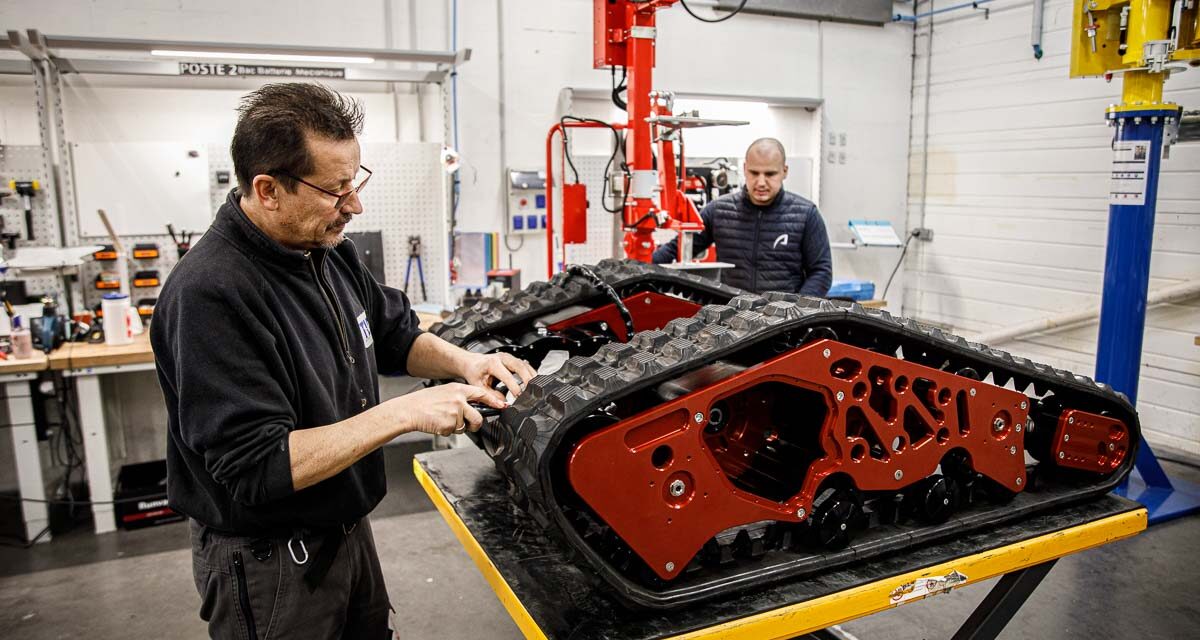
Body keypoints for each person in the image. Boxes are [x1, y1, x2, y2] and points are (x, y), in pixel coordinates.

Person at [150, 83, 537, 639]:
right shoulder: (211, 294)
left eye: (355, 182)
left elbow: (395, 334)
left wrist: (466, 364)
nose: (353, 205)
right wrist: (405, 413)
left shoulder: (326, 252)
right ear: (269, 190)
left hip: (345, 532)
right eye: (335, 190)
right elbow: (257, 466)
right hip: (270, 562)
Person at [653, 138, 833, 296]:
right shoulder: (718, 211)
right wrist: (635, 270)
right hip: (730, 319)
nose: (761, 182)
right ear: (745, 169)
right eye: (754, 173)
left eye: (770, 174)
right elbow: (672, 252)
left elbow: (821, 272)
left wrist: (795, 310)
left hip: (783, 324)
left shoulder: (805, 215)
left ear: (784, 171)